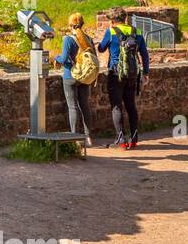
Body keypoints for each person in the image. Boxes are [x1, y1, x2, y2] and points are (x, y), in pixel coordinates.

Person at [97, 18, 150, 149]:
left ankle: (120, 139)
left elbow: (101, 49)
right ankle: (134, 138)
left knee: (116, 106)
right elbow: (144, 54)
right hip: (132, 75)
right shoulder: (136, 31)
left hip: (116, 74)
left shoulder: (111, 31)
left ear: (113, 20)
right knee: (131, 105)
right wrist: (146, 72)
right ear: (126, 19)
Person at [52, 13, 96, 146]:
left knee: (73, 107)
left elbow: (64, 59)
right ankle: (88, 137)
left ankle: (75, 138)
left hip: (70, 75)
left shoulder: (68, 39)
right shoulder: (88, 38)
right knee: (85, 106)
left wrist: (56, 58)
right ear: (82, 24)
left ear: (70, 25)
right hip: (84, 76)